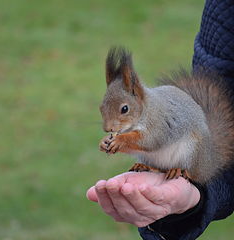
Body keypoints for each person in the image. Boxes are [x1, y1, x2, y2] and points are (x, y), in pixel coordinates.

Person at [86, 0, 234, 239]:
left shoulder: (151, 113)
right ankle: (153, 166)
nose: (109, 126)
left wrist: (122, 142)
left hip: (191, 152)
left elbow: (153, 140)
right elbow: (138, 143)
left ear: (136, 95)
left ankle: (187, 172)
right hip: (161, 155)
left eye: (122, 111)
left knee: (189, 136)